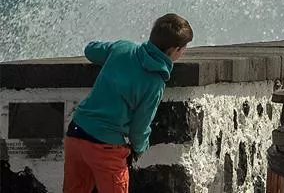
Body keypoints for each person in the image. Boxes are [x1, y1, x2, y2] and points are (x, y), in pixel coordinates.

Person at [64, 13, 192, 193]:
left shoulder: (123, 48)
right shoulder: (155, 82)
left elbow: (90, 50)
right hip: (106, 147)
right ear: (174, 50)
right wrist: (140, 148)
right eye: (184, 48)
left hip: (77, 133)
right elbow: (140, 127)